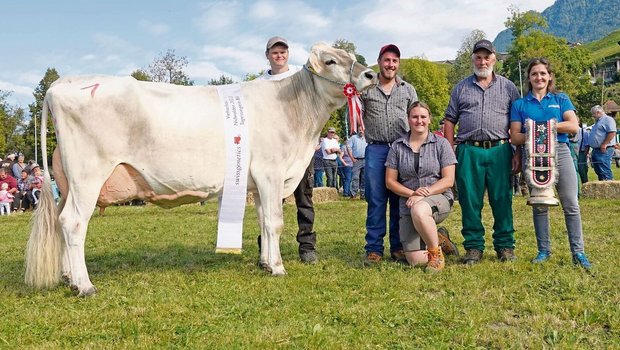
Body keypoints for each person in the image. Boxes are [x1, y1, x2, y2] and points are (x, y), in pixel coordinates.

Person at [510, 57, 591, 269]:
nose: (539, 77)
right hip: (534, 155)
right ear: (529, 77)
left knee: (571, 203)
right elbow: (515, 137)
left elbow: (573, 126)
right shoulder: (520, 104)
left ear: (550, 76)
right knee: (539, 203)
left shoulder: (561, 99)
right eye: (535, 73)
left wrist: (543, 126)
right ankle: (543, 250)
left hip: (561, 152)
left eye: (543, 73)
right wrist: (539, 131)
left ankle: (578, 252)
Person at [443, 39, 520, 264]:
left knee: (502, 198)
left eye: (487, 57)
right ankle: (474, 248)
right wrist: (450, 152)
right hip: (469, 150)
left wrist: (517, 152)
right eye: (478, 57)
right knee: (470, 200)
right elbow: (449, 121)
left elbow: (518, 121)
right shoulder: (461, 87)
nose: (482, 61)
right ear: (472, 60)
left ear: (494, 59)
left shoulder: (508, 87)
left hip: (500, 149)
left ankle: (505, 247)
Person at [257, 36, 317, 263]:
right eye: (274, 52)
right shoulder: (260, 83)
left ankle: (307, 245)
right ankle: (268, 247)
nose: (279, 55)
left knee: (304, 198)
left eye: (283, 52)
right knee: (270, 200)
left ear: (288, 54)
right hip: (271, 151)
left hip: (299, 147)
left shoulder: (300, 77)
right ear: (268, 55)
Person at [385, 101, 459, 272]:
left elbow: (448, 180)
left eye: (423, 117)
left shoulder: (441, 144)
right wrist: (413, 193)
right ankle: (440, 239)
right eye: (415, 117)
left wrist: (424, 194)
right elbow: (390, 181)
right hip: (409, 202)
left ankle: (435, 255)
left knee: (419, 210)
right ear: (408, 119)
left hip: (438, 197)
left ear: (429, 119)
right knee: (415, 261)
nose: (419, 121)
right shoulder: (397, 146)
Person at [361, 44, 418, 264]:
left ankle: (398, 246)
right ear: (379, 61)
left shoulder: (408, 89)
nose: (390, 65)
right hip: (375, 148)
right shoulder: (366, 87)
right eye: (386, 60)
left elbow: (416, 117)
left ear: (398, 64)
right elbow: (355, 116)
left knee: (399, 199)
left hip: (401, 148)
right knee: (375, 200)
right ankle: (374, 248)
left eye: (394, 61)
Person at [588, 105, 617, 181]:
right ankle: (602, 188)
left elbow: (612, 132)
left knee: (604, 171)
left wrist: (604, 144)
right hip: (597, 150)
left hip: (604, 149)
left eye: (593, 114)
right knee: (599, 171)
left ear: (598, 112)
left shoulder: (608, 119)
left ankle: (609, 189)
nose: (593, 116)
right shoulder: (598, 121)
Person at [349, 131, 367, 199]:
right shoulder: (353, 138)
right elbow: (349, 148)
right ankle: (353, 194)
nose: (361, 131)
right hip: (357, 160)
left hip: (365, 160)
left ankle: (363, 195)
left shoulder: (366, 138)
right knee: (355, 177)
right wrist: (352, 158)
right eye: (359, 129)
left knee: (364, 178)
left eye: (362, 129)